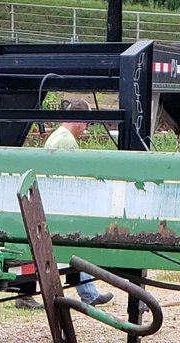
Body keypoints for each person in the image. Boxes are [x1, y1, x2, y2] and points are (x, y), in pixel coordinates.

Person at [15, 100, 111, 308]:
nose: (86, 129)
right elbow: (70, 178)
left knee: (64, 251)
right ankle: (87, 294)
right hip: (59, 205)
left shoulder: (57, 136)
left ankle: (88, 293)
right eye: (86, 124)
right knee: (71, 249)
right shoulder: (66, 142)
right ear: (80, 119)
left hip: (49, 203)